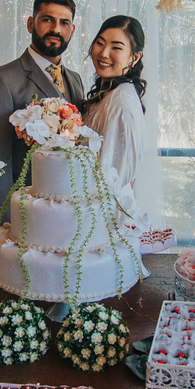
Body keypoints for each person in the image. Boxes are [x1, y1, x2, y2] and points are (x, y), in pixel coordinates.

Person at [0, 0, 85, 223]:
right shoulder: (1, 79)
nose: (56, 28)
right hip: (27, 217)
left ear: (72, 31)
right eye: (47, 19)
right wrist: (8, 225)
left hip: (70, 214)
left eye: (64, 23)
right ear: (30, 23)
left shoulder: (75, 80)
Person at [81, 14, 173, 254]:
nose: (103, 53)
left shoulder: (121, 100)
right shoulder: (108, 92)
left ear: (135, 57)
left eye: (116, 47)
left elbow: (114, 176)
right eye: (100, 43)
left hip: (101, 223)